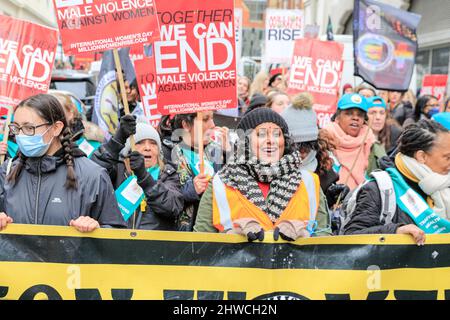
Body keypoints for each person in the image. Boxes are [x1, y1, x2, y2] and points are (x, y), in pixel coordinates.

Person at [194, 108, 331, 240]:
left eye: (277, 134)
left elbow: (324, 241)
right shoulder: (221, 183)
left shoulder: (309, 182)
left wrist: (304, 235)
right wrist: (232, 235)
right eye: (261, 134)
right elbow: (199, 246)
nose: (271, 140)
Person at [0, 94, 126, 232]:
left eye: (29, 128)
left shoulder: (92, 175)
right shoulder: (7, 171)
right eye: (16, 128)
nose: (20, 135)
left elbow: (116, 236)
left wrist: (97, 229)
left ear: (56, 128)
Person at [344, 120, 450, 245]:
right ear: (421, 156)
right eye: (448, 157)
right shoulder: (380, 189)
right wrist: (395, 231)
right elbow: (351, 236)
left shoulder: (444, 183)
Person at [91, 116, 184, 230]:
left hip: (154, 245)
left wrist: (144, 177)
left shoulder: (168, 174)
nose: (147, 148)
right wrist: (117, 140)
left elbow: (172, 207)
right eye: (140, 143)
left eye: (153, 143)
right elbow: (93, 172)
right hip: (118, 242)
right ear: (129, 151)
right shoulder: (118, 170)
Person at [281, 92, 349, 208]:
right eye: (295, 145)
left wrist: (330, 197)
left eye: (307, 145)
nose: (302, 151)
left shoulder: (324, 170)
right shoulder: (271, 168)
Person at [171, 112, 230, 231]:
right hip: (188, 234)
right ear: (186, 125)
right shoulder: (169, 154)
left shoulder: (218, 150)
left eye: (212, 119)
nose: (213, 124)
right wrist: (192, 190)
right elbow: (167, 199)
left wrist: (229, 152)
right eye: (205, 119)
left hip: (220, 229)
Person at [322, 93, 386, 190]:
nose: (355, 118)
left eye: (360, 115)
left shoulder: (371, 144)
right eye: (349, 113)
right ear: (337, 117)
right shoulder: (323, 141)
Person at [50, 91, 105, 158]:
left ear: (70, 113)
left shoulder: (91, 142)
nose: (50, 116)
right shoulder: (43, 138)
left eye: (56, 111)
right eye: (46, 112)